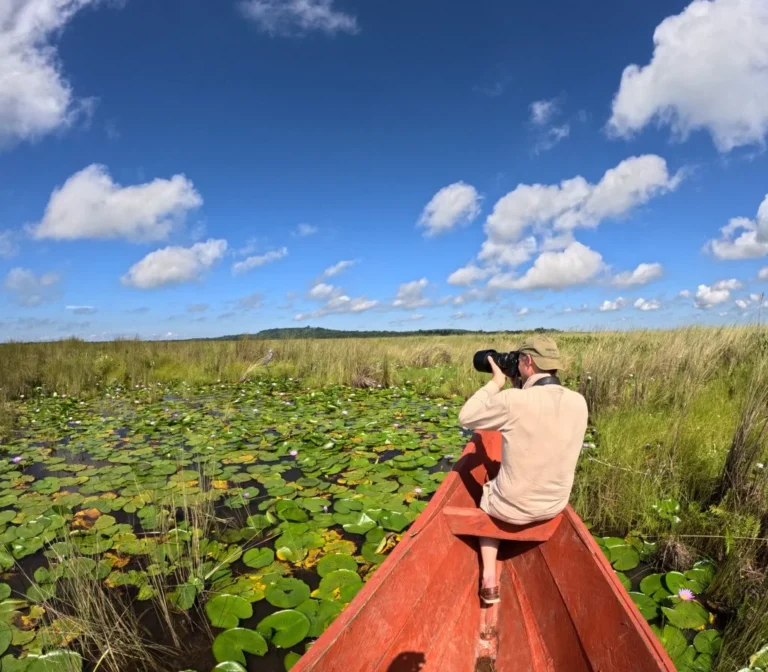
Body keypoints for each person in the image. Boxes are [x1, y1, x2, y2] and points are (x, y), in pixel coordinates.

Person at [458, 335, 588, 605]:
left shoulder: (514, 400)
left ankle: (490, 577)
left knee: (488, 489)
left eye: (518, 361)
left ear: (528, 361)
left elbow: (466, 417)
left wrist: (496, 383)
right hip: (554, 506)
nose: (515, 366)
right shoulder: (579, 402)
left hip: (510, 511)